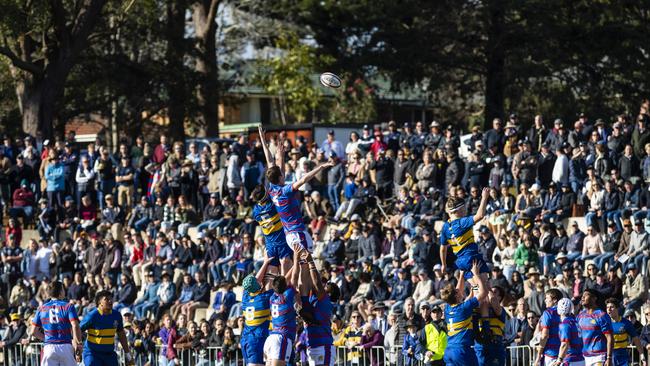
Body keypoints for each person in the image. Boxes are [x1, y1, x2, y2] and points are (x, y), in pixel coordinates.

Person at [259, 125, 334, 252]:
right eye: (281, 174)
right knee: (306, 265)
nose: (283, 173)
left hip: (289, 232)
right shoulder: (285, 190)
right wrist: (321, 167)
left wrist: (263, 139)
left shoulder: (272, 188)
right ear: (280, 177)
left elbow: (270, 160)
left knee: (301, 266)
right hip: (297, 232)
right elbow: (304, 179)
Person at [439, 187, 491, 339]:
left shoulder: (445, 227)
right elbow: (480, 215)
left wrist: (443, 264)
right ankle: (484, 329)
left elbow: (443, 249)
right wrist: (484, 197)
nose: (464, 212)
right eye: (462, 209)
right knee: (484, 294)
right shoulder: (461, 223)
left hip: (461, 262)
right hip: (472, 259)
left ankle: (476, 325)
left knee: (476, 293)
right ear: (457, 211)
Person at [440, 260, 488, 366]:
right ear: (456, 296)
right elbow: (484, 293)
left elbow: (458, 290)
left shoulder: (448, 308)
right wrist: (476, 274)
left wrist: (461, 274)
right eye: (457, 292)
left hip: (449, 351)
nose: (459, 291)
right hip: (462, 351)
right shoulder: (464, 307)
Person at [301, 251, 340, 366]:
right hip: (312, 345)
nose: (325, 284)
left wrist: (310, 262)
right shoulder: (315, 297)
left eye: (328, 284)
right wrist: (302, 264)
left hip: (324, 347)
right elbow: (307, 283)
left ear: (330, 293)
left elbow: (317, 283)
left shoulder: (326, 302)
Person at [31, 281, 83, 366]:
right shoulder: (68, 306)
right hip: (65, 346)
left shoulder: (41, 308)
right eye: (63, 289)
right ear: (60, 292)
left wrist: (47, 339)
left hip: (49, 348)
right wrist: (79, 343)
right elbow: (75, 325)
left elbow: (33, 331)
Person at [263, 249, 301, 366]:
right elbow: (293, 277)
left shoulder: (272, 298)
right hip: (282, 338)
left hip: (272, 337)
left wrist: (294, 265)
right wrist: (296, 260)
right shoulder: (287, 296)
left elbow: (284, 280)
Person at [80, 290, 133, 366]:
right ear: (99, 302)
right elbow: (77, 330)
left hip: (109, 355)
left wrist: (127, 354)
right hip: (92, 354)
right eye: (106, 299)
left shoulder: (117, 316)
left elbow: (121, 334)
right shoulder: (92, 316)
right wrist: (78, 346)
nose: (110, 301)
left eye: (111, 298)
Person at [251, 184, 294, 275]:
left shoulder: (255, 211)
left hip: (270, 245)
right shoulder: (272, 205)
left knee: (271, 275)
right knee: (286, 272)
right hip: (282, 241)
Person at [240, 255, 275, 366]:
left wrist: (265, 263)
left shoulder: (245, 297)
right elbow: (272, 281)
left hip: (246, 339)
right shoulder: (263, 299)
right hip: (256, 339)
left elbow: (255, 282)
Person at [605, 298, 647, 366]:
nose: (609, 309)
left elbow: (636, 339)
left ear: (617, 309)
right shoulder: (604, 323)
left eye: (611, 307)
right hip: (608, 356)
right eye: (607, 307)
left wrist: (642, 356)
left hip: (623, 357)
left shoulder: (626, 323)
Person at [577, 289, 613, 366]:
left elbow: (609, 337)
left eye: (586, 295)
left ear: (594, 298)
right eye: (582, 295)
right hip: (583, 357)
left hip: (599, 357)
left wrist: (609, 357)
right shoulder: (580, 315)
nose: (582, 297)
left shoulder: (602, 315)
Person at [474, 286, 506, 366]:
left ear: (499, 298)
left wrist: (486, 285)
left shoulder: (500, 310)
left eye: (494, 292)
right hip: (481, 345)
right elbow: (475, 299)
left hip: (495, 346)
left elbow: (494, 302)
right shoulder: (479, 308)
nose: (488, 293)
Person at [534, 289, 563, 366]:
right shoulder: (568, 313)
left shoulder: (548, 313)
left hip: (551, 354)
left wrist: (538, 355)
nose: (545, 300)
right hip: (564, 353)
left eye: (547, 298)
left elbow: (545, 336)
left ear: (555, 300)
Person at [555, 297, 584, 366]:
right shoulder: (575, 322)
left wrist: (559, 359)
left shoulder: (565, 324)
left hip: (570, 360)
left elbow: (565, 344)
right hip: (580, 359)